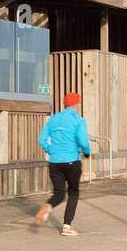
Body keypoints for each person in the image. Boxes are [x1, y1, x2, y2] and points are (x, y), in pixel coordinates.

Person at [34, 92, 92, 237]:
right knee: (73, 192)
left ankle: (46, 208)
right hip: (71, 160)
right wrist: (86, 152)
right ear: (77, 104)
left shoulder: (53, 119)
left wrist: (51, 150)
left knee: (59, 193)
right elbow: (83, 141)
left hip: (54, 162)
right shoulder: (78, 120)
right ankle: (66, 226)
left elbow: (41, 139)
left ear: (65, 104)